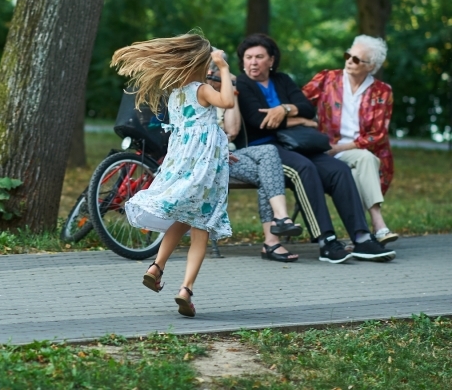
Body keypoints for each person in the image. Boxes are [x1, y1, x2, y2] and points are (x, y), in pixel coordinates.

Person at [235, 33, 395, 264]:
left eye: (259, 57)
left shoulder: (282, 80)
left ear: (271, 60)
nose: (253, 62)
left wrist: (285, 109)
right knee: (304, 168)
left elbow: (307, 108)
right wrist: (299, 119)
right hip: (265, 150)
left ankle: (361, 238)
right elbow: (258, 122)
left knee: (339, 170)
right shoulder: (243, 84)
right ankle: (326, 241)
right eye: (248, 57)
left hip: (298, 144)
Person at [112, 33, 235, 318]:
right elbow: (227, 102)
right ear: (201, 64)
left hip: (183, 164)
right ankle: (186, 290)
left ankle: (156, 267)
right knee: (201, 226)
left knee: (184, 218)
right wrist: (224, 68)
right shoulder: (202, 89)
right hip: (204, 168)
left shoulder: (176, 94)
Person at [206, 57, 303, 263]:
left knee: (268, 152)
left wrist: (231, 88)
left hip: (232, 154)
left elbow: (232, 130)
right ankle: (272, 241)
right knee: (267, 172)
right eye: (214, 70)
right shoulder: (197, 95)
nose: (216, 75)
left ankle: (281, 218)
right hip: (208, 160)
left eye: (219, 70)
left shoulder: (225, 96)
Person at [303, 35, 397, 245]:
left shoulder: (382, 91)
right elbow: (300, 102)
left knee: (362, 163)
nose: (349, 61)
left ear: (371, 66)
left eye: (356, 59)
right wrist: (304, 122)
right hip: (326, 152)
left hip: (363, 152)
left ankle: (362, 235)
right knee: (363, 164)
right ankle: (377, 226)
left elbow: (378, 134)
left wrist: (340, 148)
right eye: (348, 56)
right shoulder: (327, 79)